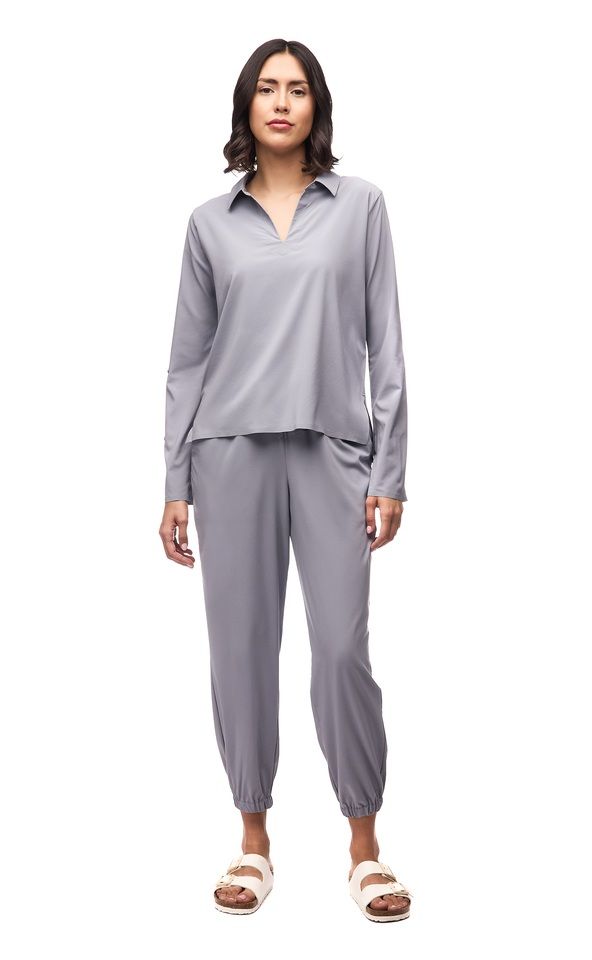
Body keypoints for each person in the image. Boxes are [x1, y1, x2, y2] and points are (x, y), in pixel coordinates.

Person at [158, 39, 413, 923]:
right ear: (246, 106)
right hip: (228, 453)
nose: (280, 102)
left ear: (316, 106)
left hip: (334, 450)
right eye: (266, 88)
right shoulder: (209, 224)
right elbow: (186, 362)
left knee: (341, 648)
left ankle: (365, 845)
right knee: (240, 650)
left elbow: (387, 344)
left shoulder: (360, 207)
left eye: (296, 89)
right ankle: (253, 839)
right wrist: (175, 480)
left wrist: (391, 470)